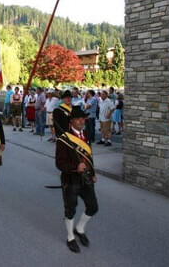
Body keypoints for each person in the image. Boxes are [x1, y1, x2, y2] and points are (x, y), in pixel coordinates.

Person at [55, 106, 98, 253]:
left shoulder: (85, 135)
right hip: (70, 179)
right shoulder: (63, 139)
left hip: (86, 179)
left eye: (83, 118)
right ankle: (70, 237)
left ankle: (80, 228)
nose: (82, 121)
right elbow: (59, 163)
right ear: (72, 121)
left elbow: (89, 156)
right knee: (70, 210)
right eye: (78, 119)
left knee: (93, 207)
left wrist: (92, 172)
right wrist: (75, 167)